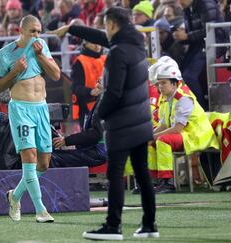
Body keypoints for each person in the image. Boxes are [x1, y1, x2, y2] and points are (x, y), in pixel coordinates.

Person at [50, 6, 158, 240]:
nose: (104, 32)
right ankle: (149, 225)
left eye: (105, 26)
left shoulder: (118, 52)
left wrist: (100, 115)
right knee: (142, 174)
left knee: (114, 174)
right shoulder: (136, 44)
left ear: (111, 24)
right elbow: (101, 38)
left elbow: (114, 92)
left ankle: (113, 226)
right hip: (141, 122)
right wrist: (72, 28)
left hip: (122, 124)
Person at [0, 15, 60, 223]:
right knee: (29, 156)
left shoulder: (42, 47)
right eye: (33, 31)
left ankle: (15, 195)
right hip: (20, 109)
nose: (36, 35)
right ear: (21, 31)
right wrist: (15, 71)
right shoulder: (5, 54)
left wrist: (41, 57)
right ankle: (41, 210)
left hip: (41, 108)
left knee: (44, 163)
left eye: (39, 31)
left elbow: (56, 75)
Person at [147, 57, 219, 193]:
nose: (159, 87)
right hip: (184, 135)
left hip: (195, 136)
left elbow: (177, 128)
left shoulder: (183, 98)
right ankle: (153, 181)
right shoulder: (167, 98)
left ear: (174, 83)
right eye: (158, 84)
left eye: (163, 83)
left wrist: (154, 136)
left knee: (162, 140)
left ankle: (167, 183)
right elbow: (163, 124)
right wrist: (149, 136)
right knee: (150, 142)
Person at [51, 93, 107, 168]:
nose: (99, 81)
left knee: (52, 157)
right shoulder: (102, 99)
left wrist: (67, 141)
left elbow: (96, 134)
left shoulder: (104, 101)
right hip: (94, 148)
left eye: (101, 80)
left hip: (97, 151)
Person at [71, 38, 106, 128]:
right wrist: (91, 91)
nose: (97, 45)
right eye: (93, 42)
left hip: (106, 104)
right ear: (85, 44)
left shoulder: (106, 59)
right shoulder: (79, 62)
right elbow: (75, 87)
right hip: (87, 107)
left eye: (99, 42)